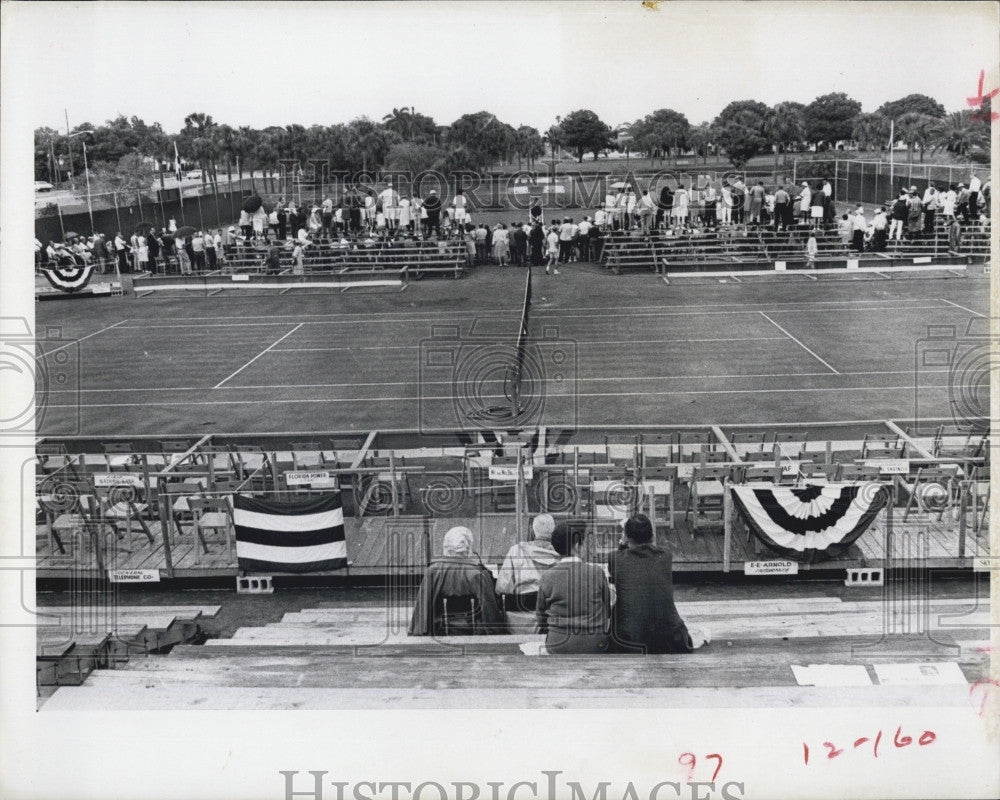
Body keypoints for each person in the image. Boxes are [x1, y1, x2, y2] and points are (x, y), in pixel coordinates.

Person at [608, 515, 703, 654]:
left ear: (627, 537)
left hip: (630, 640)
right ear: (652, 535)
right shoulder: (665, 557)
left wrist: (623, 543)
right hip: (669, 639)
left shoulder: (615, 558)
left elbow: (617, 570)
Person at [408, 526, 506, 636]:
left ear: (445, 547)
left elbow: (422, 613)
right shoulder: (479, 574)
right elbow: (491, 615)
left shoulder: (433, 572)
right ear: (469, 548)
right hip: (474, 635)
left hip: (439, 634)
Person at [536, 521, 611, 654]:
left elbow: (541, 618)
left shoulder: (547, 577)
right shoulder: (597, 572)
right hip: (594, 644)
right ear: (577, 546)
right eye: (586, 543)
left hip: (557, 644)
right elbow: (607, 611)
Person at [495, 514, 559, 615]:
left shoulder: (516, 551)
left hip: (520, 619)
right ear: (554, 532)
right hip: (550, 619)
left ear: (532, 532)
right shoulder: (561, 555)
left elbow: (502, 587)